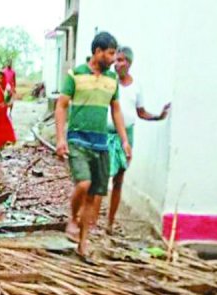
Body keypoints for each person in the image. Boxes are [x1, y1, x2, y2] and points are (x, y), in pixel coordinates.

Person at [55, 31, 131, 257]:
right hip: (78, 139)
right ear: (97, 52)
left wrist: (124, 140)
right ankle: (72, 219)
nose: (113, 58)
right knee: (83, 184)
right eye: (110, 53)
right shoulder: (75, 75)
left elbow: (116, 110)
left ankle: (83, 243)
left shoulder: (111, 80)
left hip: (101, 144)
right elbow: (61, 106)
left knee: (95, 195)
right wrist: (60, 138)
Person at [105, 46, 171, 234]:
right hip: (106, 134)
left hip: (126, 135)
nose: (117, 64)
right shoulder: (109, 83)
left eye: (122, 60)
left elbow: (140, 112)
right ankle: (91, 219)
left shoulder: (136, 87)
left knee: (119, 179)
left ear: (130, 63)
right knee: (100, 177)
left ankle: (109, 222)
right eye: (116, 60)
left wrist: (158, 116)